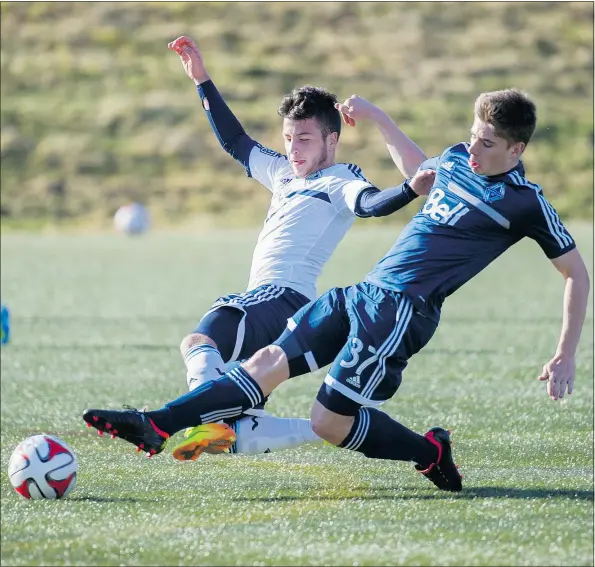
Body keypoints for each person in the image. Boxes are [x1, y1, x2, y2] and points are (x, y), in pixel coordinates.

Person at [83, 88, 590, 492]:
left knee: (328, 421)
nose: (473, 149)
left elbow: (577, 275)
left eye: (488, 144)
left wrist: (565, 353)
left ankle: (430, 453)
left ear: (516, 149)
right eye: (474, 136)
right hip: (363, 292)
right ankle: (156, 424)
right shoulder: (459, 157)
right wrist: (378, 117)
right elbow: (419, 170)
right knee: (261, 366)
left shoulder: (526, 203)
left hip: (402, 313)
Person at [163, 36, 433, 458]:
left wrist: (409, 189)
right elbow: (235, 141)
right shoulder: (283, 173)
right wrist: (202, 80)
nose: (293, 149)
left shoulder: (339, 180)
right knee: (236, 414)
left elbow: (370, 204)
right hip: (274, 301)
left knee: (204, 335)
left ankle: (204, 418)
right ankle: (247, 426)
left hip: (284, 296)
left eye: (304, 139)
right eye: (289, 138)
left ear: (331, 140)